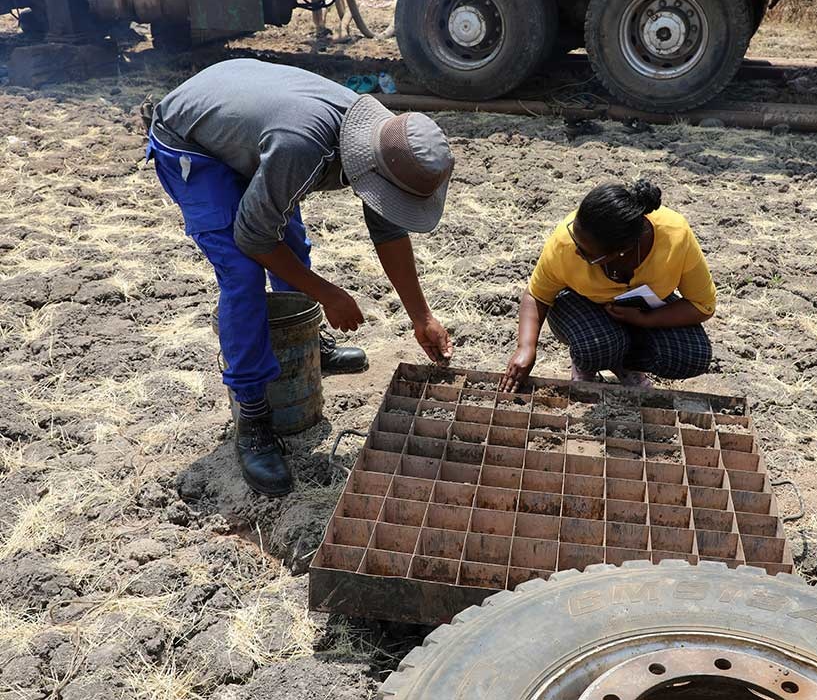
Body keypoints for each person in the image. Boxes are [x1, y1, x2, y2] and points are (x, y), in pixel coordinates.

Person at [147, 59, 455, 497]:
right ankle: (253, 417)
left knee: (289, 240)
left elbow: (387, 227)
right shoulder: (306, 147)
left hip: (250, 120)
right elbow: (252, 239)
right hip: (190, 140)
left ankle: (305, 346)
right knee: (242, 271)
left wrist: (420, 316)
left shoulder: (386, 141)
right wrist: (327, 293)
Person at [501, 179, 715, 393]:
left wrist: (645, 319)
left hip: (641, 309)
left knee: (692, 354)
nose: (577, 251)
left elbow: (702, 305)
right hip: (579, 303)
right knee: (598, 345)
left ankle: (626, 366)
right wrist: (526, 347)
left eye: (587, 253)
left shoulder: (675, 236)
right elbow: (537, 295)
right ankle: (587, 363)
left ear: (622, 251)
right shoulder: (566, 243)